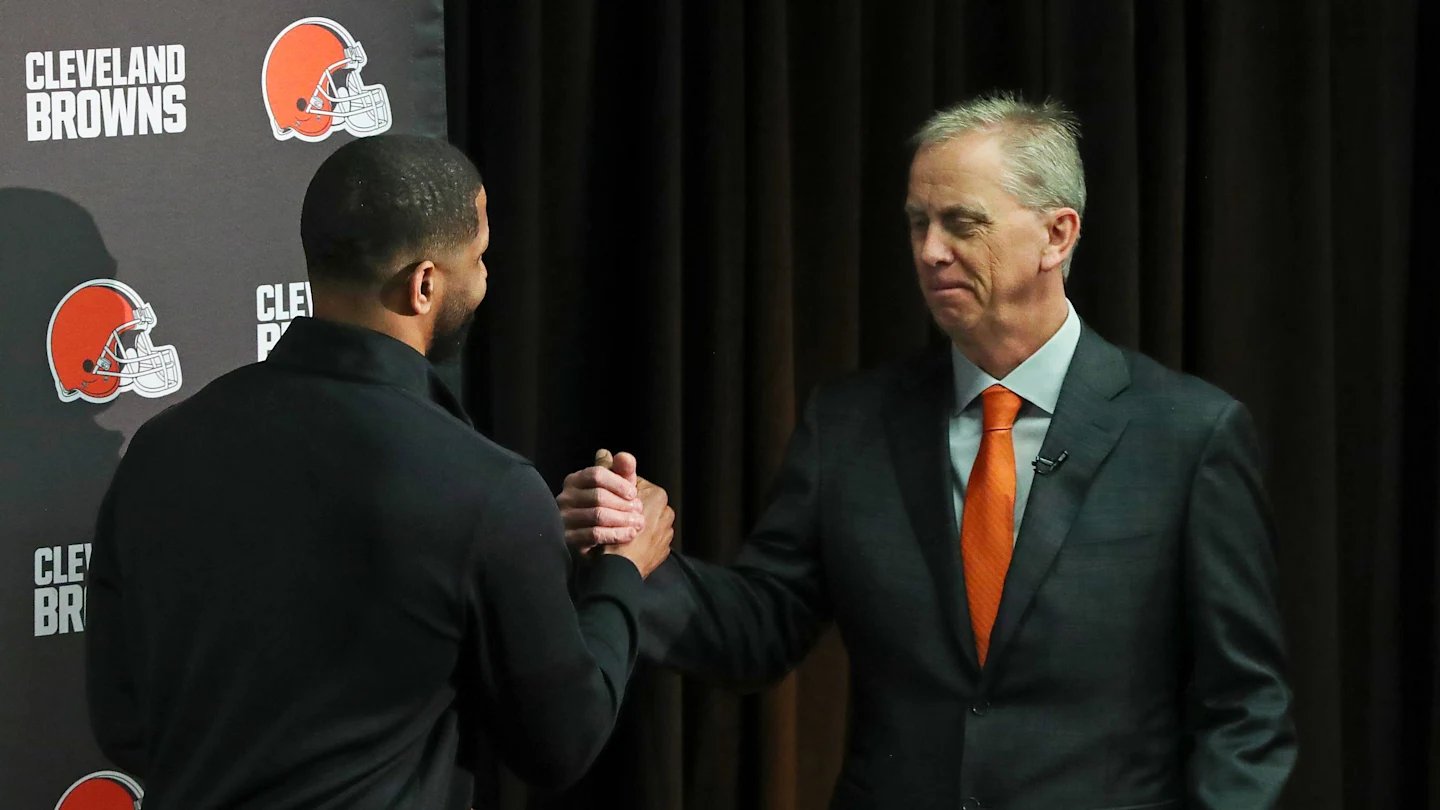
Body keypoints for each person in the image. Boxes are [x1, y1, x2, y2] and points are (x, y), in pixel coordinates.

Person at [559, 94, 1297, 809]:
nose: (931, 251)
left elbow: (1246, 708)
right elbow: (759, 629)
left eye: (961, 224)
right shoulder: (850, 425)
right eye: (918, 224)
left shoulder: (1188, 434)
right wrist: (632, 555)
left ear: (1057, 235)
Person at [85, 134, 674, 810]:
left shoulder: (160, 450)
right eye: (479, 258)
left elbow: (122, 723)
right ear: (423, 285)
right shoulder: (485, 487)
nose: (486, 280)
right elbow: (560, 741)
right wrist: (622, 568)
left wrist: (535, 543)